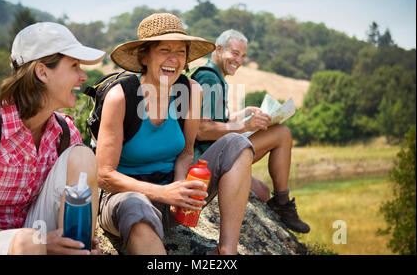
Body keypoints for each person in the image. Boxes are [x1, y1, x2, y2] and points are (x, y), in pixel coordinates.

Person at [96, 13, 254, 255]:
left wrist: (180, 188)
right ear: (144, 55)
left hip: (170, 200)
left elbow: (186, 152)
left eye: (181, 52)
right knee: (136, 207)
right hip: (124, 200)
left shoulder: (191, 91)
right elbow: (104, 175)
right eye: (164, 50)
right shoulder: (121, 97)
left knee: (237, 143)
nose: (174, 59)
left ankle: (226, 251)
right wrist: (163, 192)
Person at [0, 22, 105, 255]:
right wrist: (39, 242)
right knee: (29, 242)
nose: (83, 76)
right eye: (74, 65)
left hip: (36, 235)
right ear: (42, 72)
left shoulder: (65, 131)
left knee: (83, 156)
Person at [192, 29, 310, 233]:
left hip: (214, 152)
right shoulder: (209, 79)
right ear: (218, 49)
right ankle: (283, 203)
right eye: (235, 53)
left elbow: (216, 121)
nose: (239, 60)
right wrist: (246, 126)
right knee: (282, 133)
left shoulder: (214, 78)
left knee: (262, 193)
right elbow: (201, 130)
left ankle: (277, 203)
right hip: (206, 159)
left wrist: (242, 115)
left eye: (243, 56)